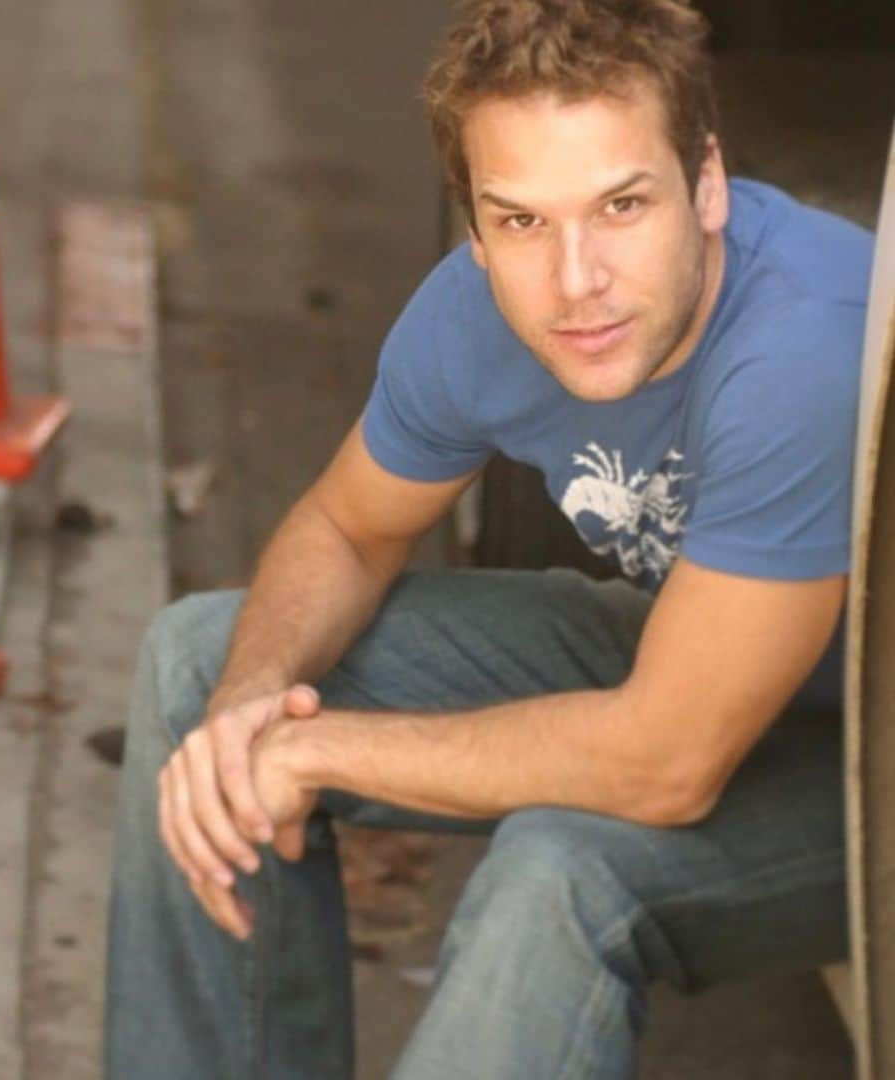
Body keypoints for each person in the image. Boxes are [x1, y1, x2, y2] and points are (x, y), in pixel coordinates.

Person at [105, 0, 875, 1075]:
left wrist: (313, 749)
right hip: (708, 654)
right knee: (203, 673)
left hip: (865, 763)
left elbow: (668, 763)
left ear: (705, 184)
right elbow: (344, 525)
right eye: (522, 220)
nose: (576, 281)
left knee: (559, 868)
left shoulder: (805, 351)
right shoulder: (477, 313)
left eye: (620, 206)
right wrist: (249, 717)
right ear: (475, 229)